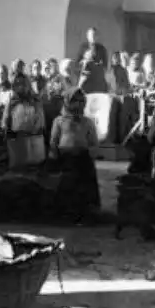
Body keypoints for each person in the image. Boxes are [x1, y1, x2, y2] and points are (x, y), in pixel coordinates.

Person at [49, 88, 100, 222]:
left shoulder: (88, 122)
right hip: (65, 159)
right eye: (74, 101)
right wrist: (54, 157)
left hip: (83, 160)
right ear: (67, 102)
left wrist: (90, 155)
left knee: (83, 188)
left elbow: (94, 143)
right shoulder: (59, 121)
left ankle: (85, 214)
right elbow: (54, 141)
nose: (78, 104)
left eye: (81, 101)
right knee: (66, 185)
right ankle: (65, 213)